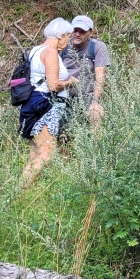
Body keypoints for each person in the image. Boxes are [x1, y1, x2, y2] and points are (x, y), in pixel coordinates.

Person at [20, 18, 79, 188]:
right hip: (46, 106)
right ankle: (19, 194)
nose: (67, 42)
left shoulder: (34, 50)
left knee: (35, 153)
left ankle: (21, 195)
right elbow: (53, 85)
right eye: (67, 37)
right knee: (47, 153)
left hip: (31, 103)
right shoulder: (51, 53)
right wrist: (71, 81)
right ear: (61, 35)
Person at [62, 15, 111, 125]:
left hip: (87, 97)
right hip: (63, 96)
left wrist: (95, 101)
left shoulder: (97, 47)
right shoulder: (62, 45)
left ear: (90, 32)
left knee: (96, 113)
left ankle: (96, 142)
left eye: (82, 31)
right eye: (75, 30)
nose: (77, 34)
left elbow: (100, 76)